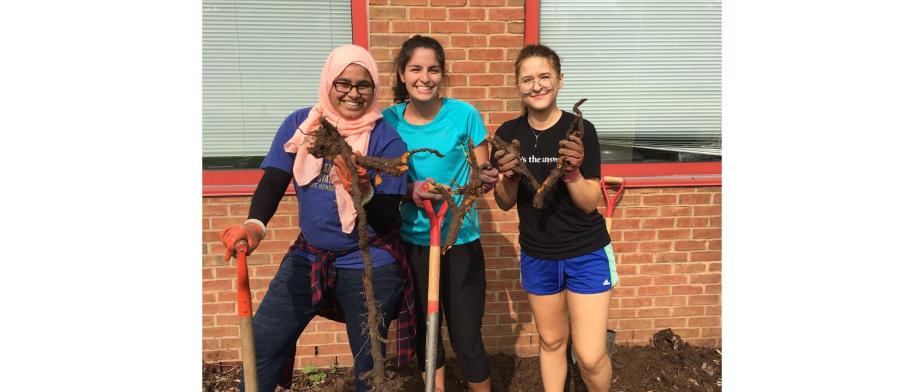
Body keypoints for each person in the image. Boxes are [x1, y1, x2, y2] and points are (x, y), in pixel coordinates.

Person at [220, 44, 416, 392]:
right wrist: (255, 224)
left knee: (370, 368)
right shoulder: (303, 126)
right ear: (328, 82)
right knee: (263, 342)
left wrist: (362, 191)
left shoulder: (386, 140)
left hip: (369, 261)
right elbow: (275, 178)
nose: (353, 93)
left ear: (374, 89)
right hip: (308, 255)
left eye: (363, 85)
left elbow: (387, 218)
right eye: (343, 83)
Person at [492, 44, 616, 392]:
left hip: (586, 252)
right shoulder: (508, 131)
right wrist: (511, 179)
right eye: (527, 79)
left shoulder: (580, 129)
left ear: (559, 80)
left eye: (544, 76)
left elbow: (591, 203)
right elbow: (503, 202)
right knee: (550, 343)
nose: (536, 86)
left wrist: (574, 173)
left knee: (590, 356)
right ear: (518, 85)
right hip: (538, 254)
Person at [381, 35, 497, 392]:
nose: (424, 77)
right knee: (423, 335)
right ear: (402, 74)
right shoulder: (388, 121)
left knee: (466, 338)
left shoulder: (464, 116)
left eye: (433, 69)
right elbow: (382, 179)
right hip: (412, 243)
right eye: (415, 68)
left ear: (442, 75)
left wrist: (488, 178)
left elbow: (482, 173)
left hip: (459, 242)